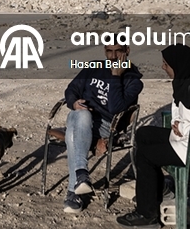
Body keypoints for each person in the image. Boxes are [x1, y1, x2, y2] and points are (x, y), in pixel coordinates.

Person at [117, 43, 190, 229]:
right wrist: (179, 125)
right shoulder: (188, 83)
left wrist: (183, 127)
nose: (163, 67)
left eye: (166, 64)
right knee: (144, 134)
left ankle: (147, 214)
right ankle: (160, 191)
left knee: (146, 155)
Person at [60, 44, 143, 213]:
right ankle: (81, 175)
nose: (112, 56)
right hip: (80, 115)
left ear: (127, 51)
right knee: (82, 115)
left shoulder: (133, 80)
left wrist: (115, 76)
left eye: (117, 51)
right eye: (108, 51)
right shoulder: (94, 67)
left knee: (72, 134)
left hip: (107, 125)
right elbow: (72, 89)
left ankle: (72, 190)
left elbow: (115, 109)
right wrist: (74, 103)